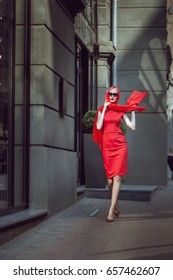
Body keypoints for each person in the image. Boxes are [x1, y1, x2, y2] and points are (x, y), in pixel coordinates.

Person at [93, 86, 147, 222]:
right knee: (110, 180)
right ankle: (116, 205)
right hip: (107, 146)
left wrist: (132, 110)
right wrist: (105, 109)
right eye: (110, 94)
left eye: (115, 95)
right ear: (107, 95)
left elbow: (132, 127)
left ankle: (110, 210)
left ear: (118, 96)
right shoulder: (101, 110)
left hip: (120, 145)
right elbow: (99, 127)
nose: (112, 96)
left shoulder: (120, 111)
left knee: (117, 178)